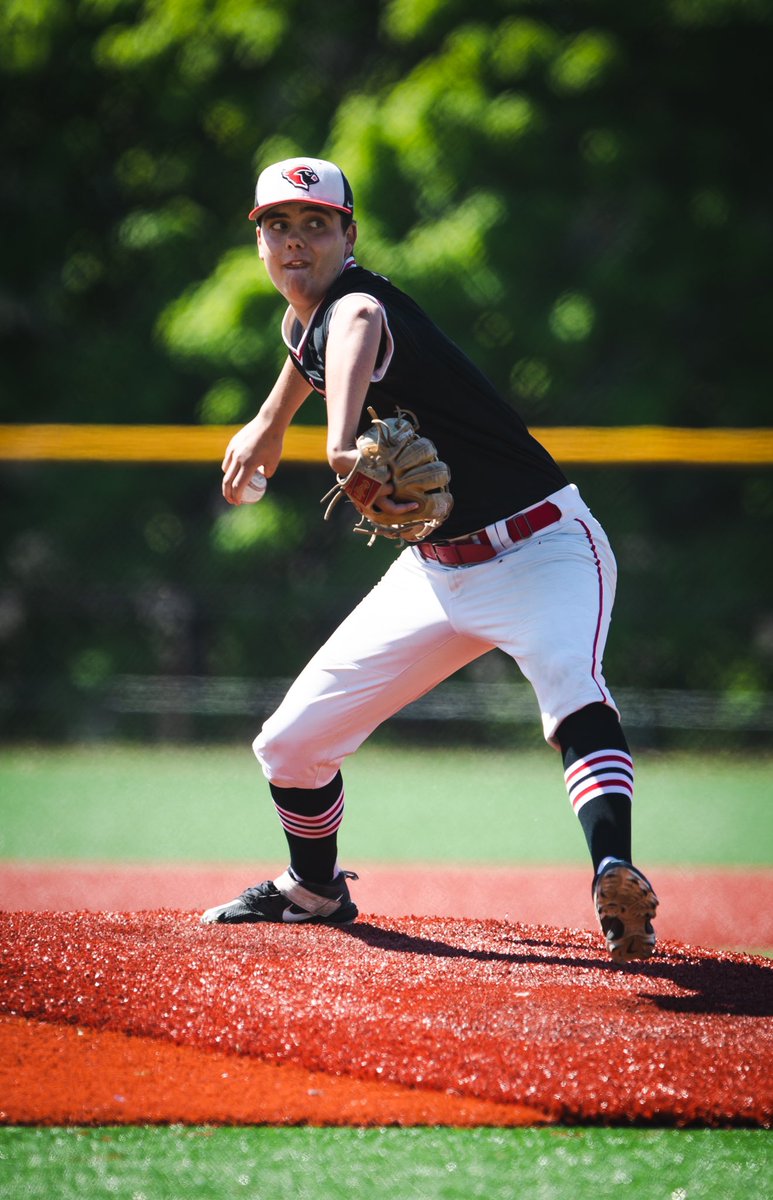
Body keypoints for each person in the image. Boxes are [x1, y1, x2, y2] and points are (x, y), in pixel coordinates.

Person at [201, 156, 659, 964]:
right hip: (436, 570)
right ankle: (314, 891)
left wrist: (341, 439)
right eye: (277, 225)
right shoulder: (304, 318)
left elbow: (352, 328)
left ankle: (612, 870)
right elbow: (309, 345)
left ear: (349, 234)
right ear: (260, 241)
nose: (294, 241)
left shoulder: (359, 305)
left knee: (571, 687)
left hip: (544, 548)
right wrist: (270, 421)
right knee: (290, 744)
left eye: (315, 224)